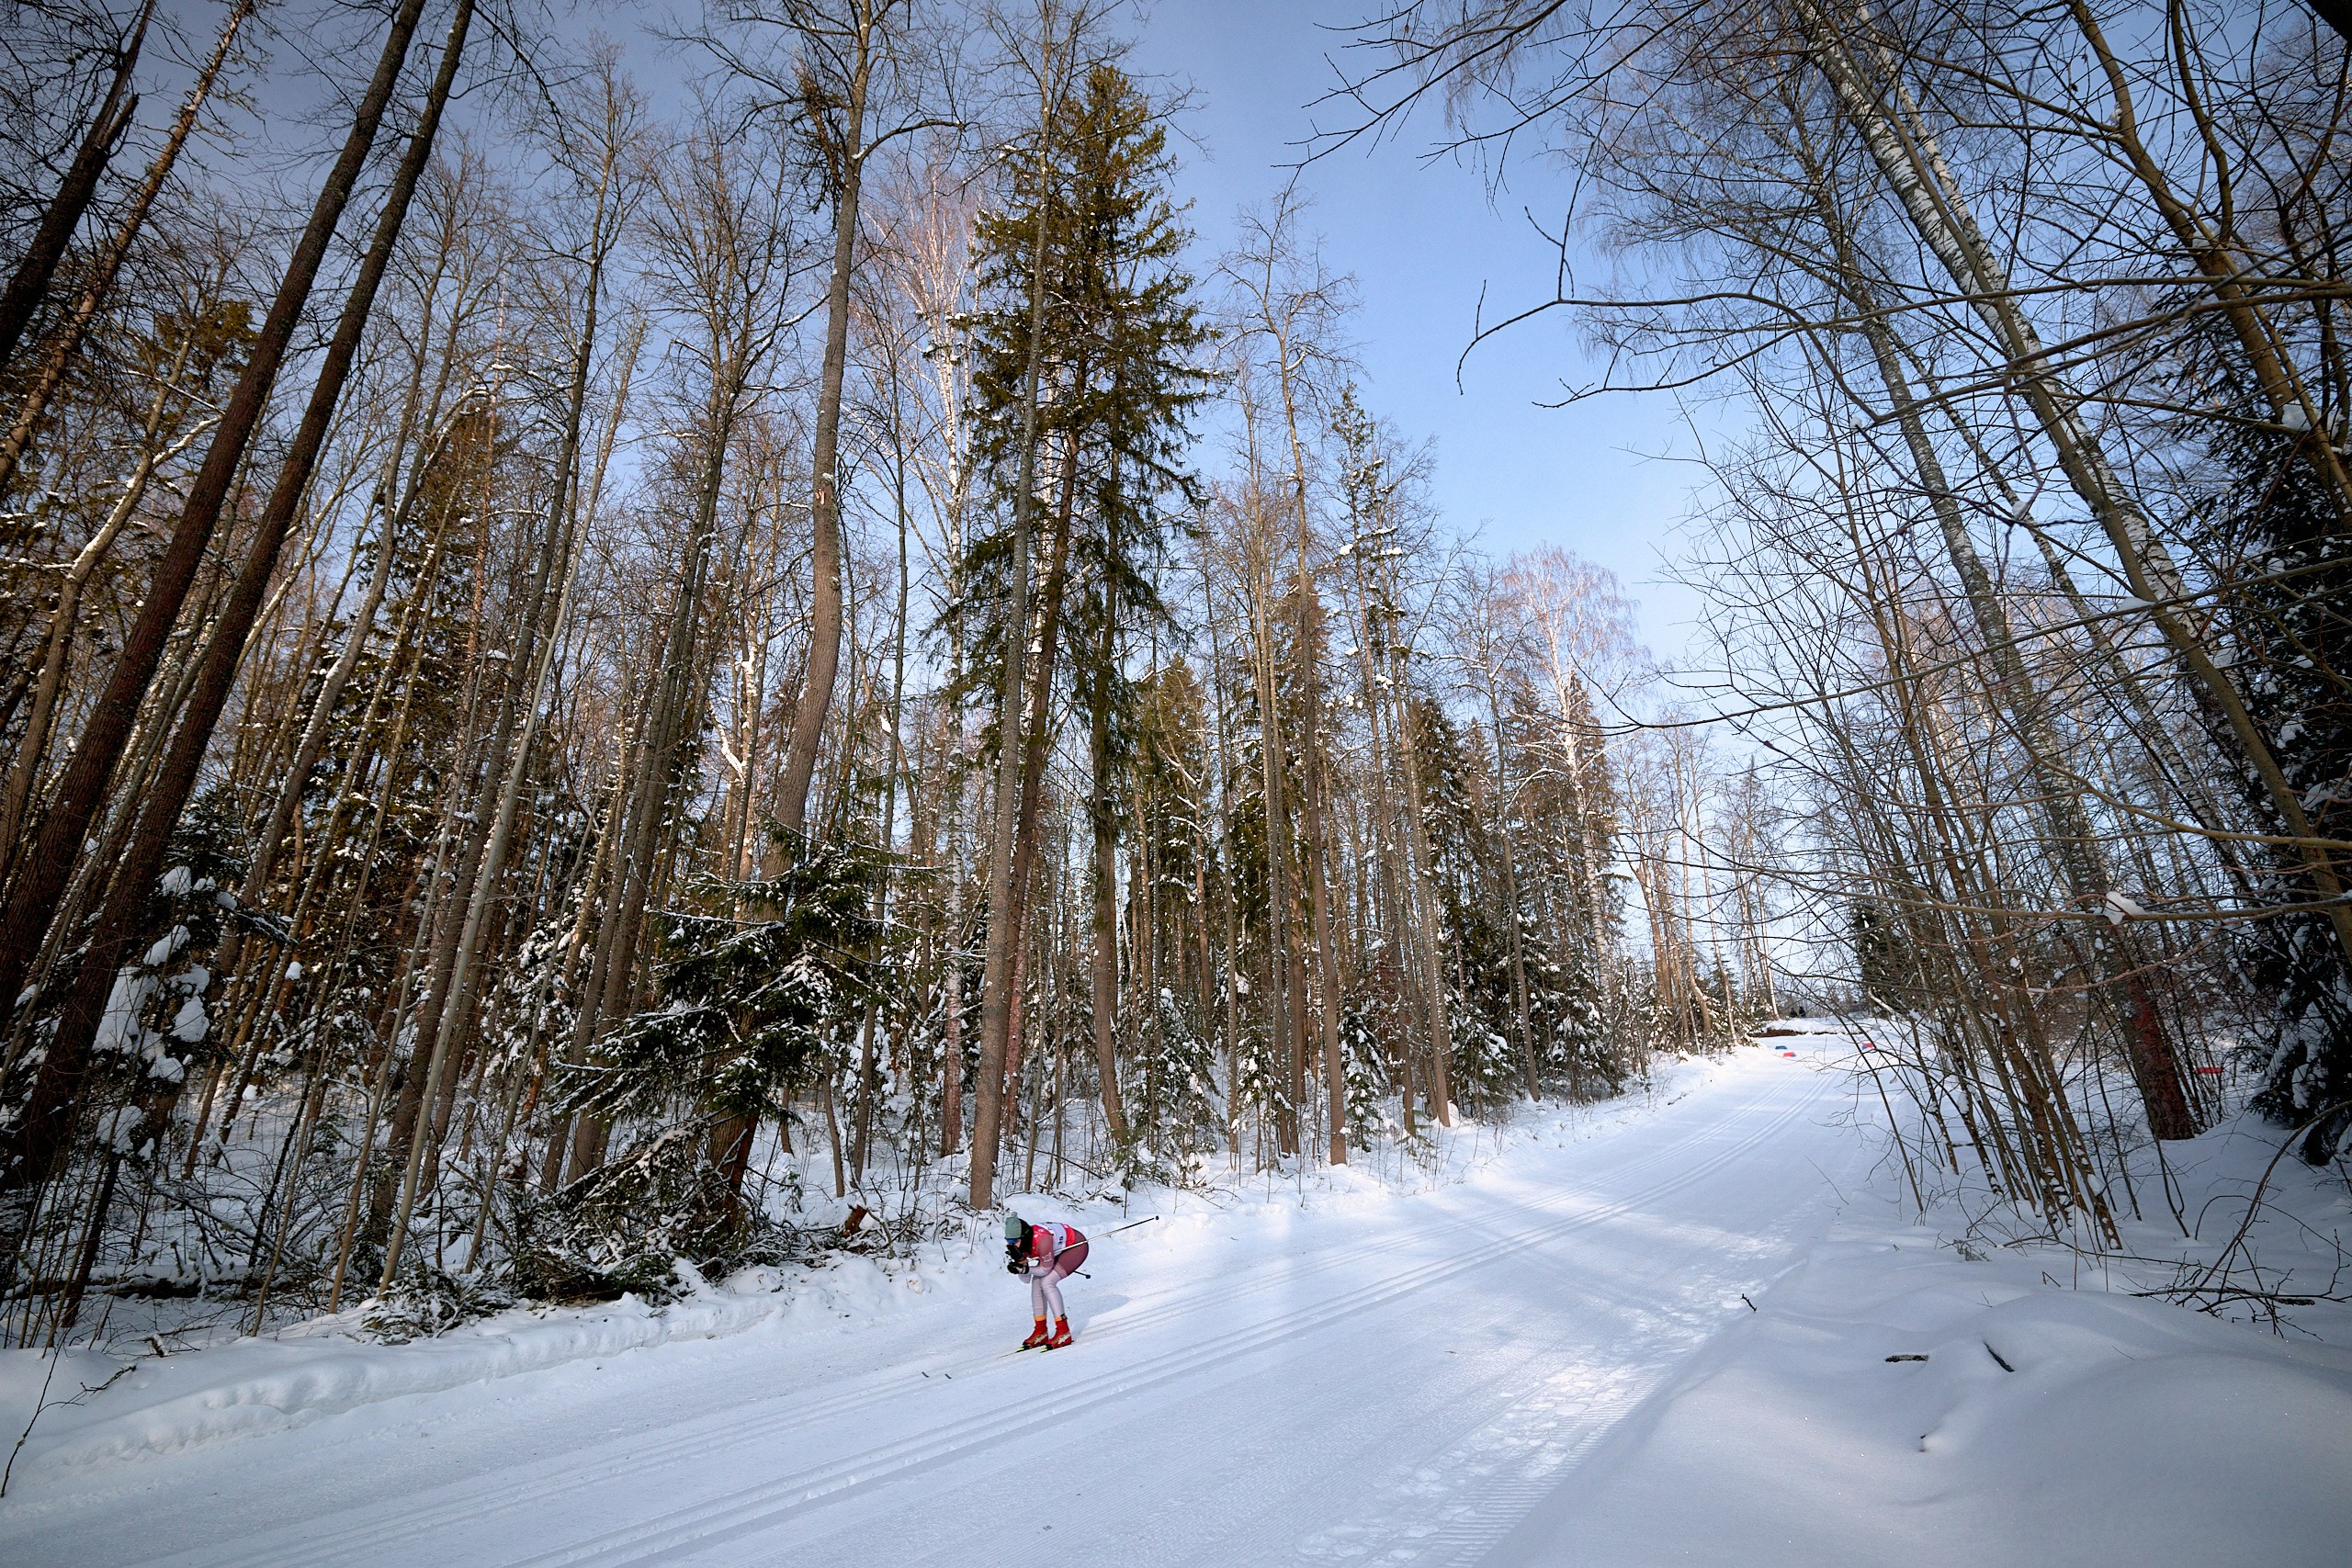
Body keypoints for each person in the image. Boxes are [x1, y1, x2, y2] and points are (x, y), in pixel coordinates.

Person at [1003, 1213, 1087, 1349]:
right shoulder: (1020, 1245)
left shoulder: (1042, 1240)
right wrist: (1021, 1262)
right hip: (1055, 1250)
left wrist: (1024, 1269)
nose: (1011, 1245)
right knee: (1036, 1283)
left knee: (1047, 1282)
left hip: (1075, 1246)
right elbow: (1026, 1279)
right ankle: (1040, 1331)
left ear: (1023, 1237)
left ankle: (1063, 1331)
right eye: (1008, 1241)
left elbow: (1045, 1270)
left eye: (1014, 1241)